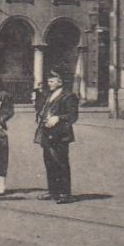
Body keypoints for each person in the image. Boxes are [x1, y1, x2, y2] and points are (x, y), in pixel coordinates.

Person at [34, 71, 79, 203]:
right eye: (49, 81)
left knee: (61, 163)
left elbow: (73, 115)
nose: (49, 84)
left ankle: (65, 194)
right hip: (47, 133)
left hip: (61, 134)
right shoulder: (49, 95)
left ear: (60, 82)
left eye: (52, 81)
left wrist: (58, 118)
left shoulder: (69, 96)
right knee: (49, 163)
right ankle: (53, 192)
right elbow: (40, 110)